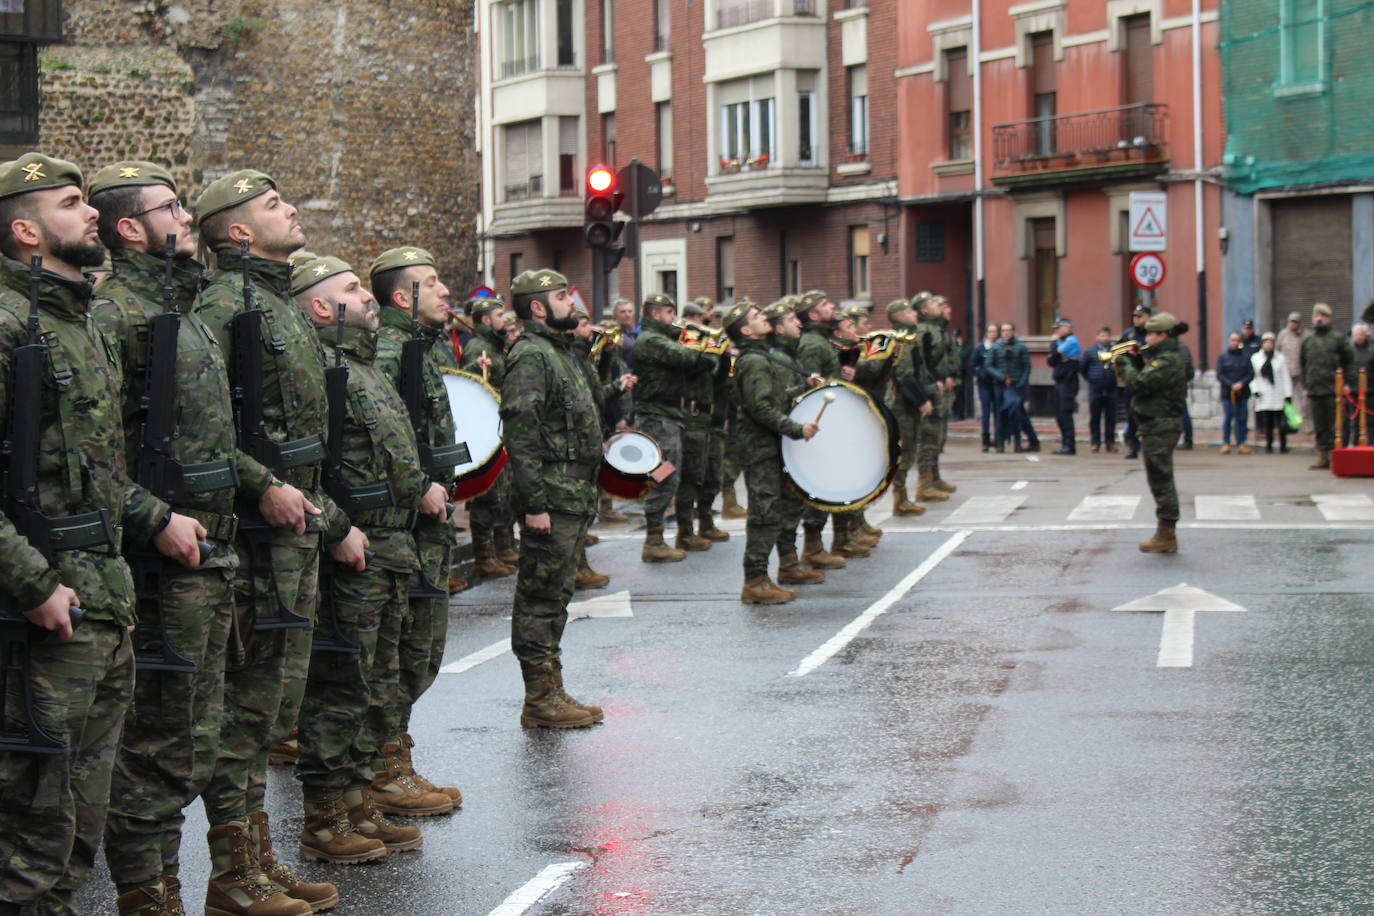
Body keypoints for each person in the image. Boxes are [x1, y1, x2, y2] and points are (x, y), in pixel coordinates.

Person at [0, 153, 204, 914]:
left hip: (102, 602)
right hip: (44, 608)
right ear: (26, 231)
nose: (89, 214)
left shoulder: (77, 324)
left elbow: (100, 470)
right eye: (68, 203)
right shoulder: (8, 327)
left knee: (77, 834)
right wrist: (31, 583)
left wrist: (149, 521)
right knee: (30, 835)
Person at [192, 169, 368, 915]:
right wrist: (261, 482)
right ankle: (235, 872)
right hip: (260, 533)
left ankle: (260, 856)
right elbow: (204, 430)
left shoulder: (271, 302)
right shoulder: (226, 306)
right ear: (237, 232)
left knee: (271, 710)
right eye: (270, 205)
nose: (290, 208)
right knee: (244, 711)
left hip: (295, 527)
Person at [86, 161, 246, 915]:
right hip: (161, 560)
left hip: (210, 552)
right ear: (130, 228)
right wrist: (153, 519)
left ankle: (180, 890)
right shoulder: (116, 317)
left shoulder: (180, 313)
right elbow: (93, 459)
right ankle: (147, 899)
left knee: (194, 742)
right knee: (156, 747)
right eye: (170, 206)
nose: (185, 216)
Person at [294, 255, 452, 864]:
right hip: (357, 546)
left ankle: (360, 798)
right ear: (321, 306)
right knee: (341, 683)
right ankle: (326, 816)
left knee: (372, 678)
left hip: (391, 543)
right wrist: (338, 529)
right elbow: (317, 463)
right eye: (354, 288)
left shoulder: (362, 366)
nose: (368, 297)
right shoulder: (327, 368)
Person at [369, 246, 464, 814]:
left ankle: (393, 760)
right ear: (403, 297)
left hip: (428, 523)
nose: (446, 292)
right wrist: (415, 489)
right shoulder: (390, 352)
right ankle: (384, 770)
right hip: (404, 524)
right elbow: (374, 438)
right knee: (402, 653)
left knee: (420, 652)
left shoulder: (419, 349)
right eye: (433, 284)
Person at [500, 269, 604, 728]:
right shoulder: (531, 356)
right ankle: (540, 698)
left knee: (557, 595)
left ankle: (551, 691)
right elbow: (521, 436)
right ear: (538, 307)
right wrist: (534, 504)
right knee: (540, 597)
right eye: (563, 297)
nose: (573, 305)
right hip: (553, 497)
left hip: (573, 494)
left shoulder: (561, 352)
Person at [722, 300, 818, 604]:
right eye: (757, 316)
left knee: (777, 509)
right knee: (764, 514)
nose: (764, 317)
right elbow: (759, 407)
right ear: (747, 330)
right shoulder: (754, 361)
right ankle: (755, 582)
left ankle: (778, 570)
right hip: (760, 448)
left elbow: (770, 400)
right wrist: (795, 429)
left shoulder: (759, 358)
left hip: (767, 446)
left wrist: (801, 389)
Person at [631, 292, 714, 561]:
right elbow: (690, 359)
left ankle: (657, 538)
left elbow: (704, 363)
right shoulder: (651, 340)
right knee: (664, 476)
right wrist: (701, 340)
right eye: (669, 313)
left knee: (671, 474)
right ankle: (653, 541)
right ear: (656, 314)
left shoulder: (661, 337)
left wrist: (706, 349)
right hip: (658, 417)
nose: (674, 319)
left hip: (669, 415)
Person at [795, 289, 867, 562]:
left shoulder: (821, 340)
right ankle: (813, 547)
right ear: (813, 314)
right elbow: (811, 388)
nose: (832, 306)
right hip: (822, 423)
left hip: (833, 419)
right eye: (825, 304)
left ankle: (840, 539)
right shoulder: (813, 344)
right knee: (823, 483)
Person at [762, 298, 829, 583]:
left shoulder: (786, 356)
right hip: (780, 437)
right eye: (791, 320)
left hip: (788, 434)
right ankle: (782, 567)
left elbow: (786, 394)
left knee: (792, 502)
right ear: (778, 329)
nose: (798, 323)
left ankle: (790, 562)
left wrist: (804, 385)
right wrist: (796, 428)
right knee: (780, 506)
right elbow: (772, 402)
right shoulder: (774, 358)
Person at [569, 306, 636, 589]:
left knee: (582, 507)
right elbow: (591, 396)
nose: (591, 330)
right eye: (585, 325)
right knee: (574, 510)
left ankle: (579, 565)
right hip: (574, 442)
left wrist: (607, 353)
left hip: (589, 436)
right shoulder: (570, 357)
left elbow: (597, 389)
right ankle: (575, 568)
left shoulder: (584, 355)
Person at [1114, 313, 1188, 553]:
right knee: (1158, 477)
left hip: (1160, 424)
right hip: (1155, 423)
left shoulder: (1168, 360)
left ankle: (1167, 534)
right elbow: (1146, 381)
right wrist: (1136, 362)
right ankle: (1165, 533)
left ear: (1163, 335)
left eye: (1150, 334)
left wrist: (1125, 364)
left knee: (1161, 479)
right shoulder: (1161, 358)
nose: (1146, 338)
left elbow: (1139, 385)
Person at [461, 295, 517, 580]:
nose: (505, 318)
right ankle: (484, 555)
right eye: (499, 314)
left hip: (501, 427)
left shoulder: (497, 347)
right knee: (488, 496)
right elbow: (471, 388)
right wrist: (475, 369)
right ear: (485, 320)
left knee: (504, 493)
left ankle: (503, 545)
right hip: (487, 430)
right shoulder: (478, 349)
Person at [912, 294, 960, 496]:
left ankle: (934, 476)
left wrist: (949, 375)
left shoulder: (938, 328)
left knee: (938, 435)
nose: (941, 307)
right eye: (934, 304)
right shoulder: (924, 330)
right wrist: (937, 379)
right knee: (929, 436)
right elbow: (922, 361)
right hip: (930, 389)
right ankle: (924, 484)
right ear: (924, 310)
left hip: (940, 386)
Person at [1300, 302, 1354, 469]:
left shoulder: (1337, 339)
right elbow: (1303, 364)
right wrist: (1305, 386)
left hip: (1333, 389)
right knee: (1320, 426)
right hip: (1315, 389)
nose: (1319, 319)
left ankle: (1337, 457)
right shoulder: (1308, 340)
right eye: (1316, 316)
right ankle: (1323, 457)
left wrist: (1347, 383)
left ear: (1329, 319)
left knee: (1336, 426)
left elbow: (1349, 362)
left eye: (1322, 316)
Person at [886, 298, 927, 514]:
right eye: (909, 311)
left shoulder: (908, 337)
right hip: (901, 404)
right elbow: (905, 376)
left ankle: (901, 498)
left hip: (905, 402)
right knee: (905, 450)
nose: (914, 313)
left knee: (909, 449)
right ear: (899, 316)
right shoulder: (901, 340)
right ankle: (899, 499)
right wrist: (922, 401)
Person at [987, 322, 1038, 452]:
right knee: (999, 415)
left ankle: (1018, 443)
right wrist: (1001, 377)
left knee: (1017, 415)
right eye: (1003, 330)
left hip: (1016, 387)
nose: (1006, 333)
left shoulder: (1020, 347)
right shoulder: (995, 347)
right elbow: (988, 366)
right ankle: (1000, 443)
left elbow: (1026, 367)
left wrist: (1021, 382)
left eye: (1008, 330)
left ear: (1013, 331)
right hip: (1000, 386)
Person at [1251, 332, 1293, 454]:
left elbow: (1285, 376)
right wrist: (1255, 390)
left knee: (1281, 422)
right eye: (1266, 342)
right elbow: (1253, 376)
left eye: (1270, 342)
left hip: (1278, 392)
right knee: (1267, 421)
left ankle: (1283, 445)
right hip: (1264, 392)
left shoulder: (1280, 358)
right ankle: (1268, 445)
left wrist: (1288, 394)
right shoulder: (1255, 358)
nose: (1268, 345)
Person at [1119, 305, 1151, 458]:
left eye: (1140, 316)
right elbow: (1118, 352)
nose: (1136, 319)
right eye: (1135, 316)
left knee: (1149, 413)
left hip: (1149, 380)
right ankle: (1133, 446)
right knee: (1131, 415)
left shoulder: (1153, 334)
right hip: (1132, 381)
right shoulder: (1129, 333)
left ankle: (1149, 445)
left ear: (1148, 317)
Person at [1081, 326, 1119, 452]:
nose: (1105, 338)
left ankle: (1110, 442)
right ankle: (1095, 442)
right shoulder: (1090, 351)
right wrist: (1092, 379)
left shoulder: (1115, 351)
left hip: (1111, 388)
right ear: (1097, 337)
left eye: (1107, 335)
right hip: (1095, 389)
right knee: (1095, 417)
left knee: (1111, 418)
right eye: (1102, 335)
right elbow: (1083, 368)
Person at [1216, 331, 1254, 454]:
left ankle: (1242, 443)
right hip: (1228, 394)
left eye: (1237, 340)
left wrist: (1241, 383)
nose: (1235, 342)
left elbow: (1250, 373)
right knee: (1228, 418)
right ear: (1229, 341)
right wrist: (1231, 385)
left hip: (1242, 393)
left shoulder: (1245, 357)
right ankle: (1226, 443)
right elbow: (1220, 375)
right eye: (1233, 340)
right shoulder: (1223, 357)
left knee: (1242, 418)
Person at [1047, 317, 1080, 455]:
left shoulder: (1071, 341)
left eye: (1059, 328)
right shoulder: (1061, 341)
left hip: (1068, 382)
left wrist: (1054, 344)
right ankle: (1065, 443)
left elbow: (1054, 355)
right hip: (1060, 382)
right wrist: (1057, 356)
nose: (1057, 331)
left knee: (1066, 414)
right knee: (1059, 414)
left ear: (1068, 327)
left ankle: (1069, 445)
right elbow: (1051, 360)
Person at [1343, 322, 1373, 446]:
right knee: (1353, 422)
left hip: (1370, 391)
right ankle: (1354, 446)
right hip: (1353, 391)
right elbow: (1342, 368)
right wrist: (1345, 384)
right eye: (1356, 334)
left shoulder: (1372, 349)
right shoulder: (1348, 351)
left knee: (1370, 422)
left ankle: (1371, 446)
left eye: (1361, 334)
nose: (1359, 337)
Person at [1276, 310, 1304, 419]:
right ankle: (1287, 421)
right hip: (1286, 373)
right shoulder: (1282, 335)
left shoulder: (1303, 335)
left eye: (1296, 322)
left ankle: (1303, 422)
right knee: (1286, 397)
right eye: (1291, 321)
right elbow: (1277, 352)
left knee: (1303, 400)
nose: (1293, 324)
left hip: (1300, 372)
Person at [612, 297, 637, 366]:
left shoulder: (636, 334)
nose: (627, 315)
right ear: (615, 315)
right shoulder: (612, 335)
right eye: (623, 312)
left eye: (630, 311)